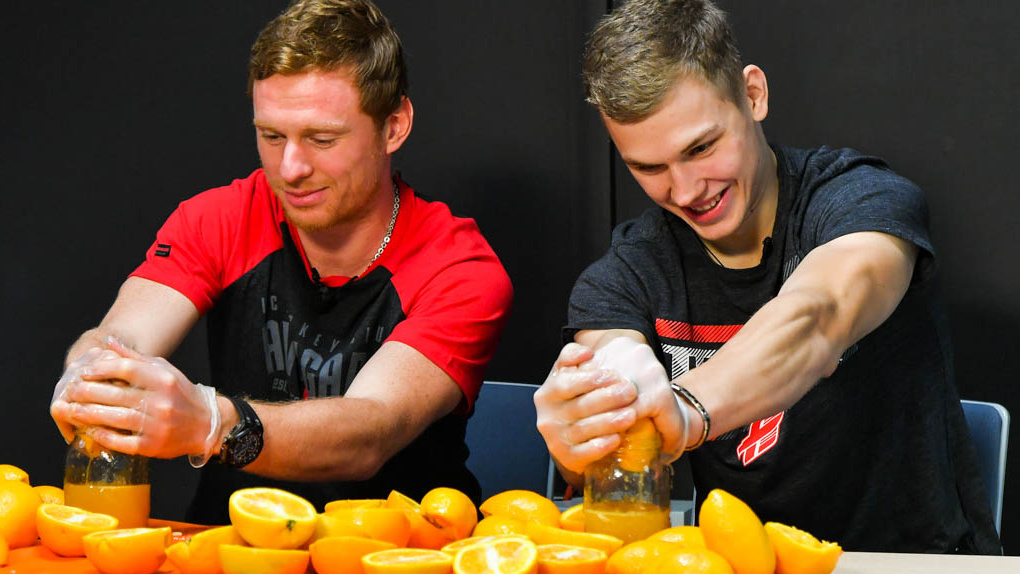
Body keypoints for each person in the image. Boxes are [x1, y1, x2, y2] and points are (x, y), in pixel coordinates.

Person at [534, 0, 1000, 554]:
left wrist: (684, 410)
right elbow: (611, 405)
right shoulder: (627, 273)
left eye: (702, 148)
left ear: (753, 95)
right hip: (746, 562)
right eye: (649, 168)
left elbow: (817, 317)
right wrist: (583, 430)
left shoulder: (864, 201)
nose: (685, 190)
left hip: (914, 559)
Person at [49, 0, 513, 524]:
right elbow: (121, 337)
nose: (290, 168)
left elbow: (371, 429)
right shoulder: (219, 217)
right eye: (272, 136)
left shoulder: (461, 269)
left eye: (322, 139)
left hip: (395, 549)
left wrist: (211, 421)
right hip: (227, 548)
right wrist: (90, 371)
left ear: (394, 126)